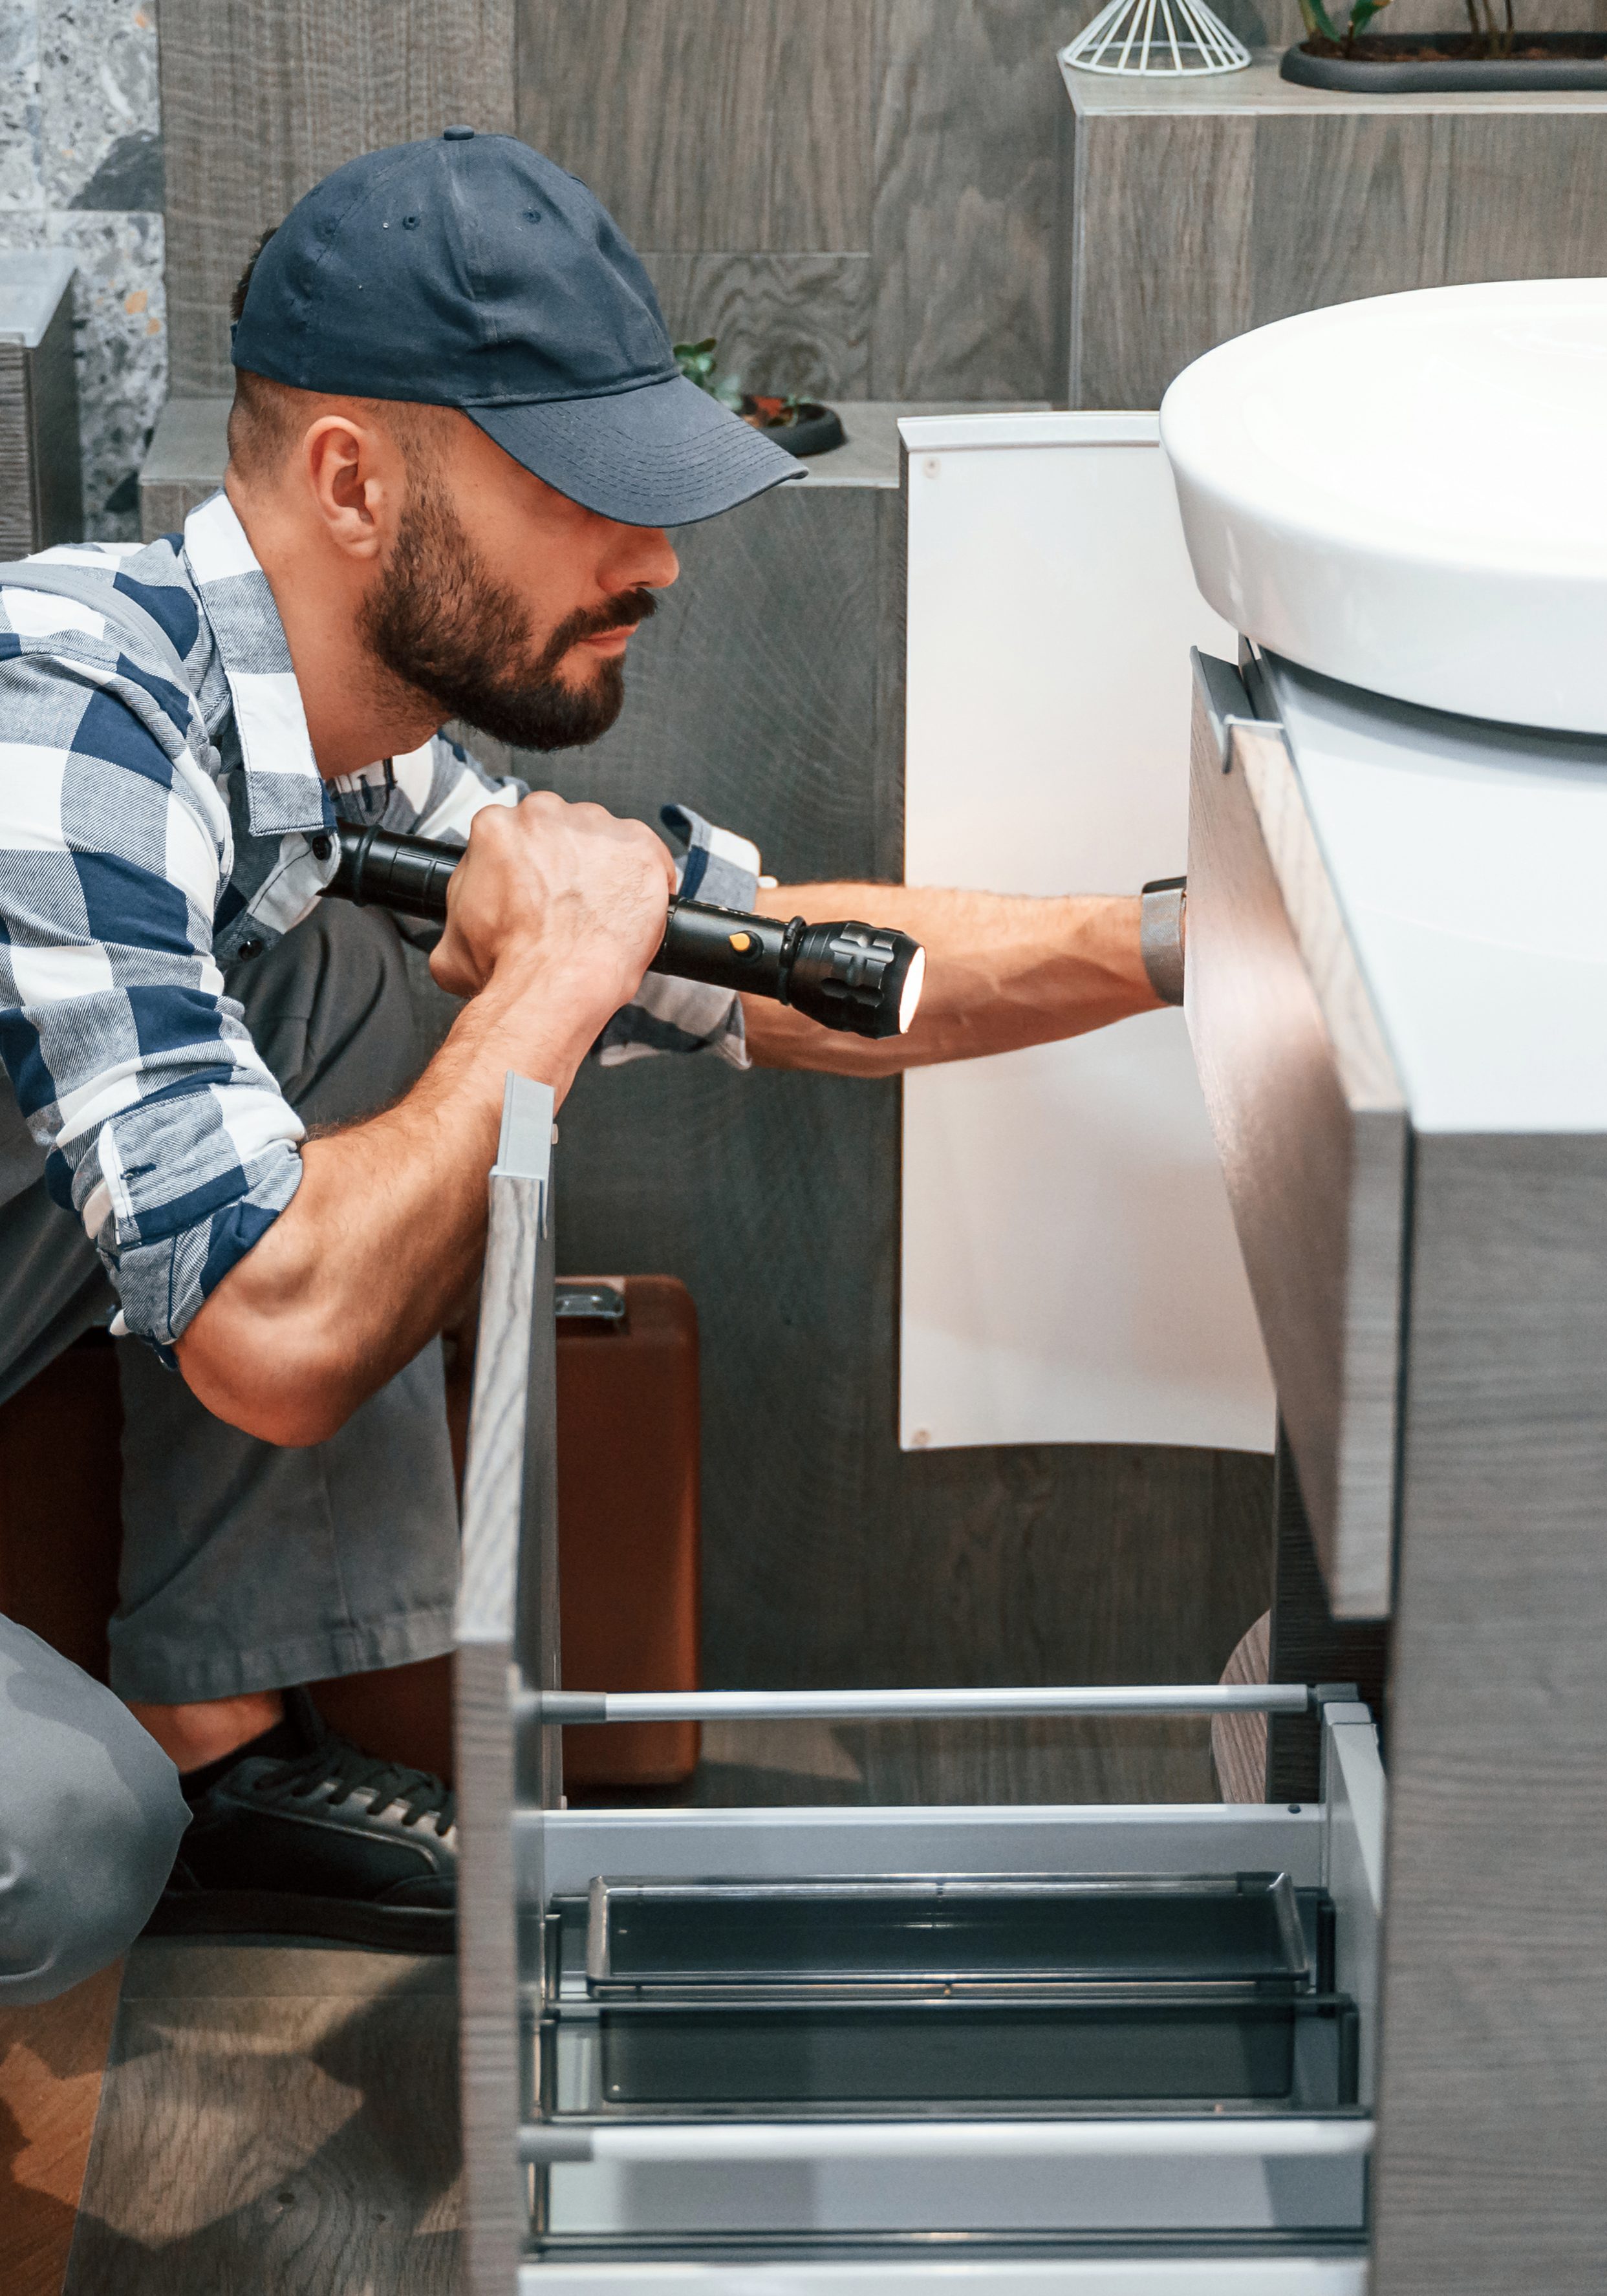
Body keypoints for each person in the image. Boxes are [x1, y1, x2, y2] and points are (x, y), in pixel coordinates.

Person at [0, 132, 1181, 2001]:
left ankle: (230, 1749)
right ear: (352, 483)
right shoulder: (66, 717)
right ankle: (164, 1790)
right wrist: (547, 977)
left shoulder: (333, 752)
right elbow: (277, 1339)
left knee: (348, 972)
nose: (657, 564)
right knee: (66, 1836)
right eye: (589, 495)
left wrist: (1190, 947)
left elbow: (769, 966)